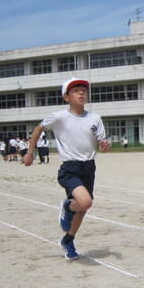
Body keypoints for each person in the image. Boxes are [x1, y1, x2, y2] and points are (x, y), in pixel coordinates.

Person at [24, 77, 110, 260]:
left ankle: (68, 240)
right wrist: (30, 153)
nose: (81, 92)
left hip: (89, 167)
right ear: (66, 97)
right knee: (85, 202)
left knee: (83, 208)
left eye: (83, 90)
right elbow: (38, 130)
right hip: (70, 167)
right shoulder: (60, 117)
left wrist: (103, 145)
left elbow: (100, 141)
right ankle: (67, 206)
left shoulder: (95, 118)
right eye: (76, 90)